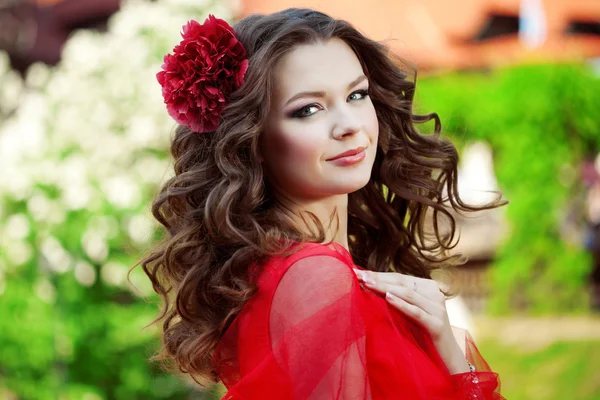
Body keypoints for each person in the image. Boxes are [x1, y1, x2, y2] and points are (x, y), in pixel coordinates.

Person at [138, 8, 507, 399]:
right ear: (252, 138)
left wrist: (447, 347)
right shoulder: (313, 277)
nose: (349, 124)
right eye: (308, 109)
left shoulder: (291, 272)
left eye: (357, 94)